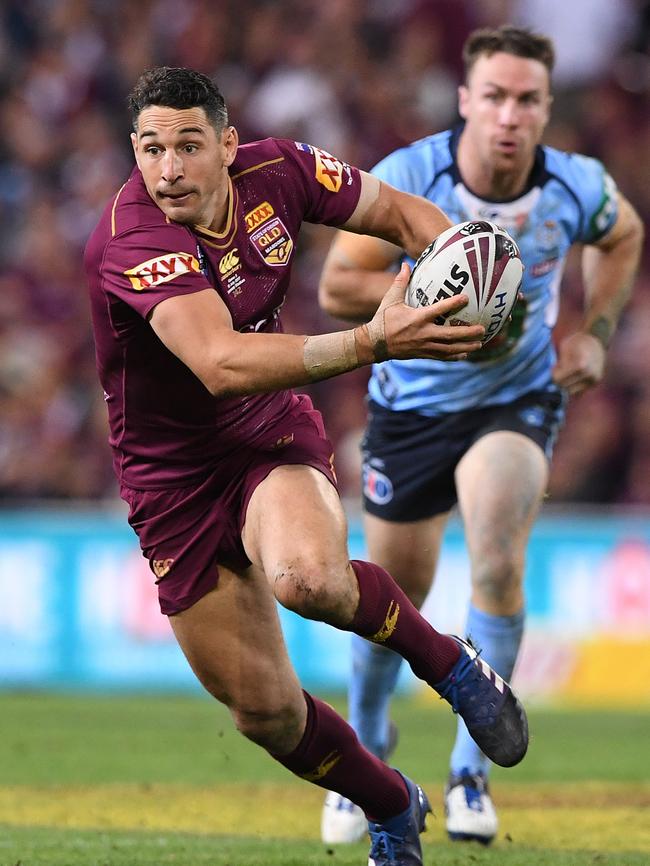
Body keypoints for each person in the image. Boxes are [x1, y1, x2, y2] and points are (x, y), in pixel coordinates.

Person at [83, 66, 530, 866]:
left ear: (227, 144)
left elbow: (395, 211)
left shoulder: (281, 171)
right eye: (152, 149)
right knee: (267, 716)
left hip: (265, 437)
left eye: (189, 146)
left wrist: (465, 270)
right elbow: (220, 361)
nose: (169, 169)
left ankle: (455, 670)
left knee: (309, 578)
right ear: (135, 152)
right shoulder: (131, 239)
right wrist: (374, 342)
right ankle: (393, 804)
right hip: (170, 486)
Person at [318, 25, 644, 847]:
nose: (509, 115)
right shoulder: (408, 177)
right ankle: (366, 751)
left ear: (545, 108)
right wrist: (412, 307)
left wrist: (596, 332)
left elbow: (624, 235)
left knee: (498, 555)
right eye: (494, 96)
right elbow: (337, 287)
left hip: (516, 400)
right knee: (395, 593)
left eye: (527, 99)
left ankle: (469, 773)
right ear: (465, 101)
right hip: (412, 407)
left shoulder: (576, 186)